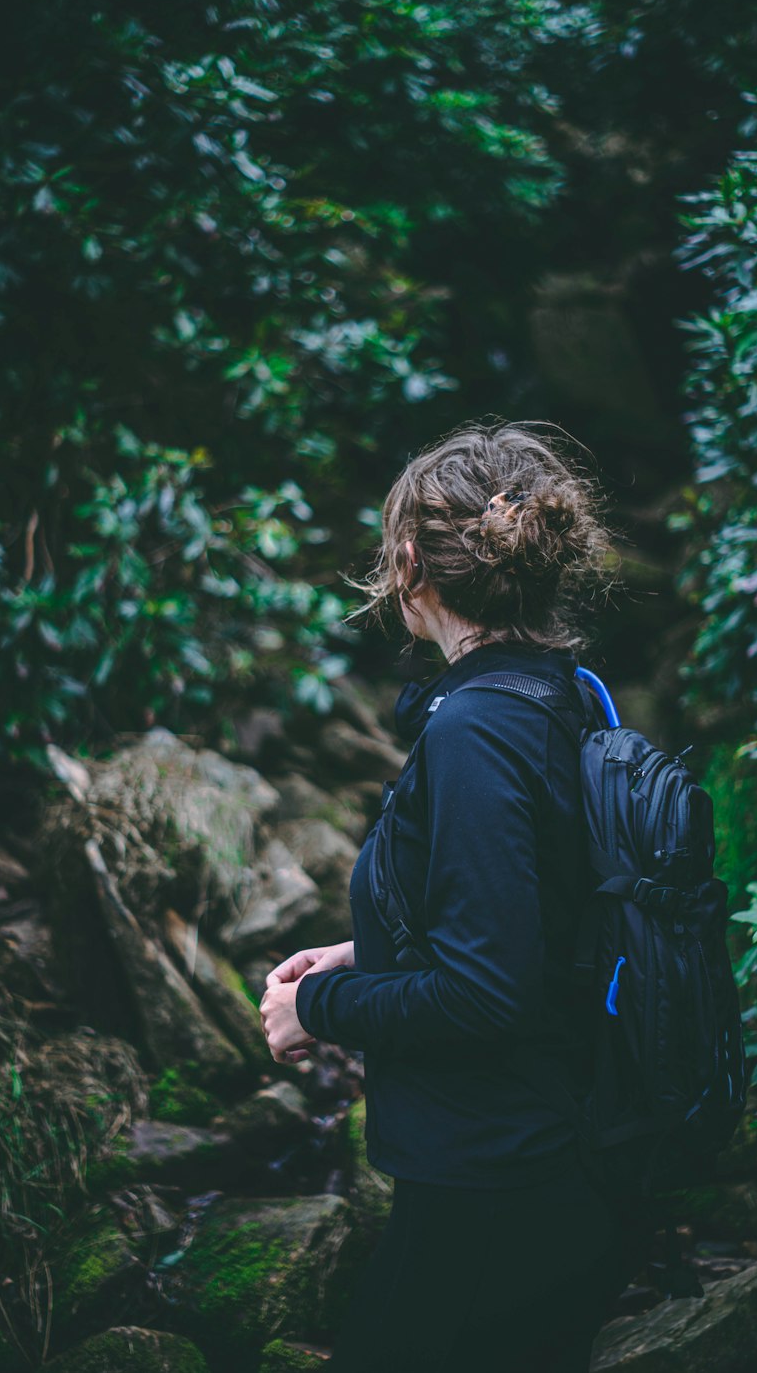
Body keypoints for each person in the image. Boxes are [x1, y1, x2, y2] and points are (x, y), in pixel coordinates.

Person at [259, 420, 647, 1372]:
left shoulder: (477, 729)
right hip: (560, 1152)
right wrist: (362, 952)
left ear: (405, 561)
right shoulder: (564, 692)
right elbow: (546, 908)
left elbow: (487, 995)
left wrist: (316, 1005)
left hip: (500, 1186)